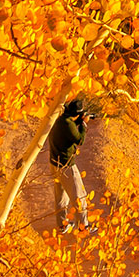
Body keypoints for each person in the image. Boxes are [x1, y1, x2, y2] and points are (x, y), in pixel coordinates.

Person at [49, 98, 92, 230]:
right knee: (79, 195)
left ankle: (62, 225)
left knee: (61, 197)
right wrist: (84, 124)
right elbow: (79, 140)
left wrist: (78, 120)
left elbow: (69, 131)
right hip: (66, 165)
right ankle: (84, 226)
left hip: (54, 164)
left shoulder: (61, 120)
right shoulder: (68, 124)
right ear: (77, 114)